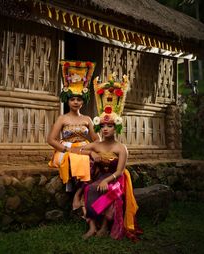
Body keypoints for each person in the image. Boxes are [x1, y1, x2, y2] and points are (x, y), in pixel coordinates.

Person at [70, 73, 142, 241]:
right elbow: (75, 151)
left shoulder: (121, 147)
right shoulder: (96, 144)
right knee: (89, 189)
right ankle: (92, 227)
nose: (105, 129)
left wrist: (106, 181)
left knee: (110, 192)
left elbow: (120, 171)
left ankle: (104, 226)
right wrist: (91, 152)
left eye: (109, 126)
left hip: (116, 179)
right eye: (103, 126)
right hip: (100, 176)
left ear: (116, 128)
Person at [47, 60, 101, 210]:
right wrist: (66, 150)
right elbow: (50, 139)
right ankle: (80, 196)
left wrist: (94, 148)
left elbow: (96, 139)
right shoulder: (62, 118)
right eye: (72, 99)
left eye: (79, 99)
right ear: (67, 101)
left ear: (83, 102)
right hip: (66, 148)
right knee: (79, 159)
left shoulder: (87, 119)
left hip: (84, 147)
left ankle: (79, 194)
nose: (76, 102)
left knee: (96, 162)